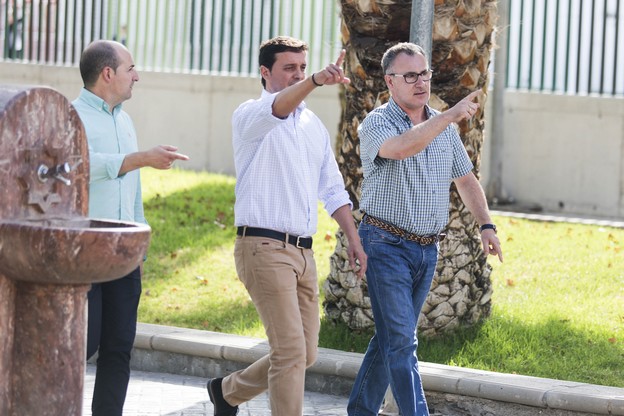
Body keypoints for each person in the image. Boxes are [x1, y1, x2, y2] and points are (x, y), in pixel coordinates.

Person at [206, 36, 367, 416]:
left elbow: (332, 188)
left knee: (304, 354)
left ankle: (227, 392)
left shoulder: (312, 126)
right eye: (289, 68)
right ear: (265, 72)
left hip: (303, 253)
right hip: (262, 248)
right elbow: (278, 108)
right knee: (291, 351)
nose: (298, 74)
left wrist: (354, 239)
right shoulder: (250, 115)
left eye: (302, 67)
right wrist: (315, 80)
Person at [346, 42, 504, 416]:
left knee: (391, 338)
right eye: (410, 76)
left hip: (427, 250)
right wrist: (448, 116)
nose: (421, 82)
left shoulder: (442, 127)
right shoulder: (377, 123)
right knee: (402, 342)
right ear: (390, 81)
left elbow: (465, 179)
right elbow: (401, 148)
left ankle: (360, 411)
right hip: (384, 244)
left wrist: (486, 224)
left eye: (425, 74)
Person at [72, 40, 189, 416]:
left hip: (124, 255)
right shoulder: (70, 117)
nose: (136, 76)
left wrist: (139, 239)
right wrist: (140, 158)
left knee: (119, 348)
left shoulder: (124, 120)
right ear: (108, 73)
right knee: (79, 348)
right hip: (84, 255)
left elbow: (132, 188)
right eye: (131, 68)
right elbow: (80, 166)